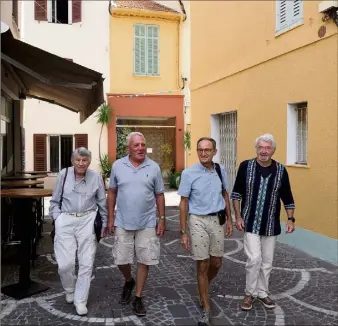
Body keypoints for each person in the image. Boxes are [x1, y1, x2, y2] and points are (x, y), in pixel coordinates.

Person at [231, 133, 295, 311]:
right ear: (256, 149)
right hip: (250, 222)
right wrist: (238, 216)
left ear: (273, 150)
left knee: (267, 261)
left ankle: (262, 292)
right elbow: (236, 194)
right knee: (254, 259)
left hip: (270, 224)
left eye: (267, 148)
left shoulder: (281, 170)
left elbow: (287, 197)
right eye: (261, 147)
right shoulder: (246, 166)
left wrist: (290, 219)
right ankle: (249, 293)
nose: (263, 151)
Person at [108, 132, 165, 317]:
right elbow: (112, 192)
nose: (141, 148)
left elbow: (159, 194)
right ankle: (128, 280)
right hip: (123, 221)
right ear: (128, 148)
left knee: (144, 259)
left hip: (147, 222)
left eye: (143, 144)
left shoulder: (154, 167)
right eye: (136, 145)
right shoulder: (118, 165)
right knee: (121, 259)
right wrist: (110, 218)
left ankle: (138, 297)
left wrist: (162, 219)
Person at [178, 137, 233, 326]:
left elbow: (224, 194)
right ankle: (206, 308)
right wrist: (183, 231)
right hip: (198, 220)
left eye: (207, 150)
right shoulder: (189, 173)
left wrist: (230, 220)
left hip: (217, 219)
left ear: (214, 152)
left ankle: (203, 288)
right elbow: (183, 203)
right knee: (203, 264)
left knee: (216, 263)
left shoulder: (220, 170)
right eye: (200, 149)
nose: (203, 153)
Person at [50, 147, 108, 316]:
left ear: (89, 162)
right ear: (72, 161)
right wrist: (57, 219)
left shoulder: (95, 177)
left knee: (86, 262)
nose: (81, 163)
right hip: (66, 219)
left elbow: (102, 203)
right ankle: (69, 288)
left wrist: (103, 224)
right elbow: (54, 201)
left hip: (87, 220)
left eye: (84, 160)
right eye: (78, 160)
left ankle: (80, 300)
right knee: (64, 264)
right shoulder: (64, 174)